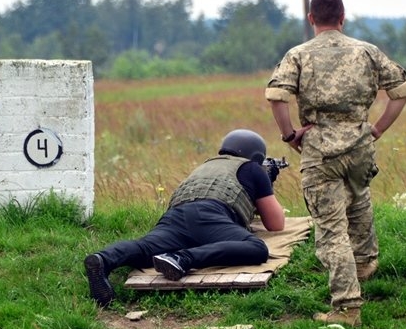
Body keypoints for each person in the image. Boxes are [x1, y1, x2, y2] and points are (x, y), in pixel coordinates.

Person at [265, 0, 406, 327]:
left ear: (311, 18)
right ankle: (364, 265)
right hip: (360, 145)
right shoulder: (367, 51)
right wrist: (377, 129)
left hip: (321, 150)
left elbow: (276, 96)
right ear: (343, 18)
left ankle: (347, 307)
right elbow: (402, 91)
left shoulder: (298, 55)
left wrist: (289, 135)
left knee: (332, 229)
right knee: (359, 200)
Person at [84, 129, 286, 308]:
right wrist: (265, 182)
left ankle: (103, 259)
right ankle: (182, 258)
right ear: (256, 156)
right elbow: (275, 224)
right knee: (256, 248)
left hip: (176, 216)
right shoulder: (252, 169)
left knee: (144, 248)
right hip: (212, 215)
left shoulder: (205, 166)